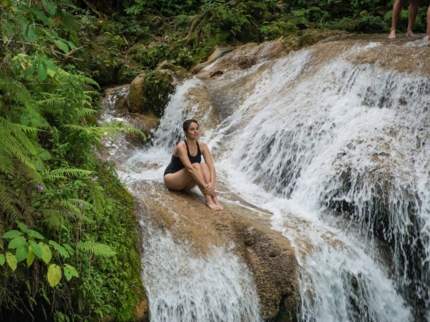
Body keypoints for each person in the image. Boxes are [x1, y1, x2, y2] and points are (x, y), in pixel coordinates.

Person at [164, 119, 223, 211]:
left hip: (186, 184)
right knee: (195, 165)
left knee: (203, 165)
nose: (196, 132)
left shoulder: (202, 146)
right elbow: (190, 169)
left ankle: (214, 198)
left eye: (197, 129)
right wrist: (205, 187)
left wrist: (211, 184)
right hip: (172, 179)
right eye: (192, 129)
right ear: (185, 132)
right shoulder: (181, 146)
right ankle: (208, 199)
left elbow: (211, 166)